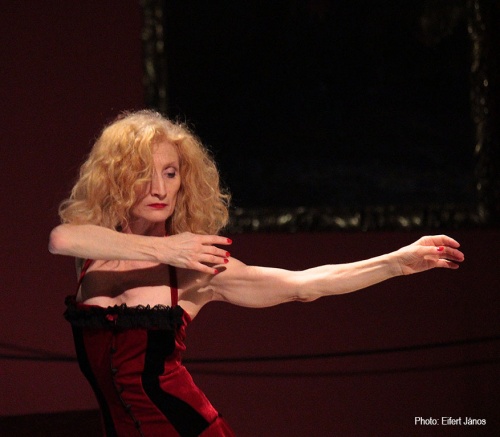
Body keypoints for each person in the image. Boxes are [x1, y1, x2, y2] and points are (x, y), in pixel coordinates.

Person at [49, 110, 464, 437]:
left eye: (170, 173)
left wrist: (394, 263)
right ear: (118, 178)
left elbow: (303, 285)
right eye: (144, 172)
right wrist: (165, 248)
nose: (159, 188)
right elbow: (61, 238)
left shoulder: (197, 270)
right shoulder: (92, 256)